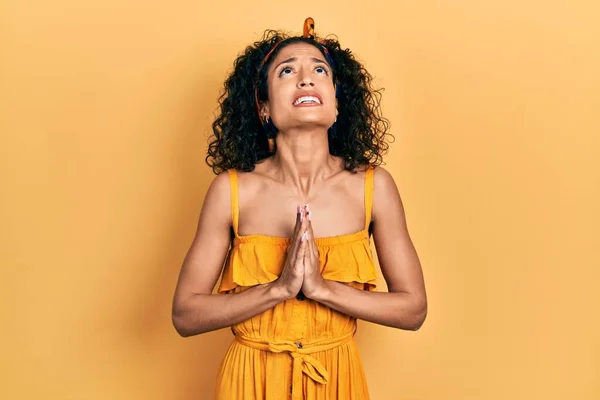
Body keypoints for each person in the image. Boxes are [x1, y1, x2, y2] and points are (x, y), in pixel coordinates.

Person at [172, 17, 427, 400]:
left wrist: (321, 289)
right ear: (263, 108)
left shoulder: (375, 187)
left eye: (319, 70)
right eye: (287, 71)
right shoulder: (231, 191)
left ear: (338, 103)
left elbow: (413, 310)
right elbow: (185, 315)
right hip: (249, 381)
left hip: (336, 379)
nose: (306, 79)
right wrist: (280, 289)